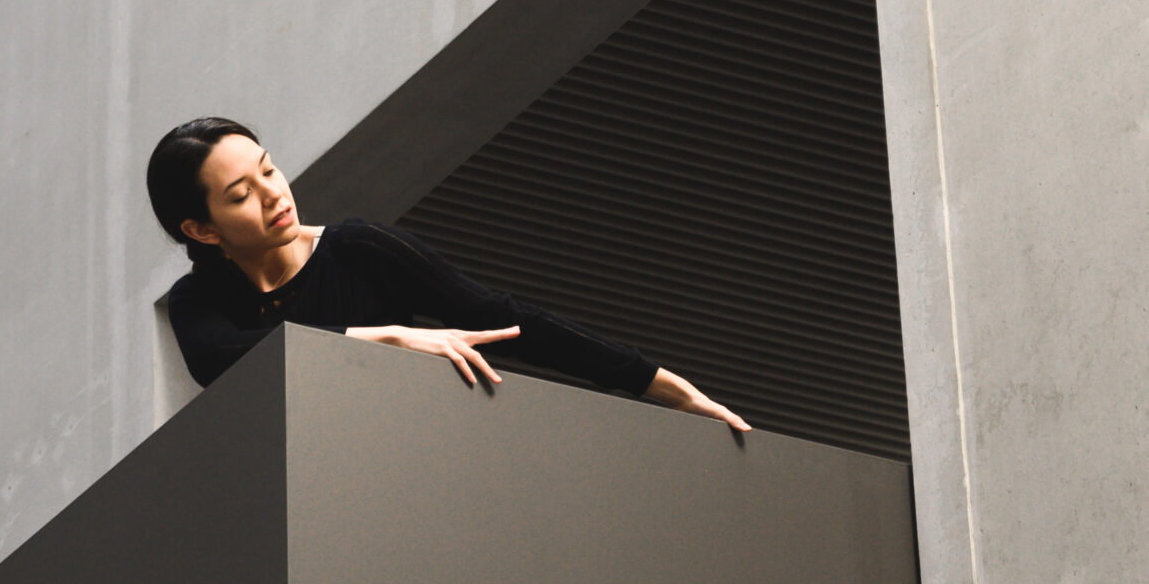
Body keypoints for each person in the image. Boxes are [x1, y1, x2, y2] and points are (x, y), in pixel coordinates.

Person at [149, 117, 750, 428]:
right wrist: (386, 338)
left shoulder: (361, 249)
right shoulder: (198, 302)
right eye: (240, 195)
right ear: (202, 229)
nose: (274, 195)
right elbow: (224, 359)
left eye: (269, 171)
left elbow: (506, 321)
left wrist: (664, 385)